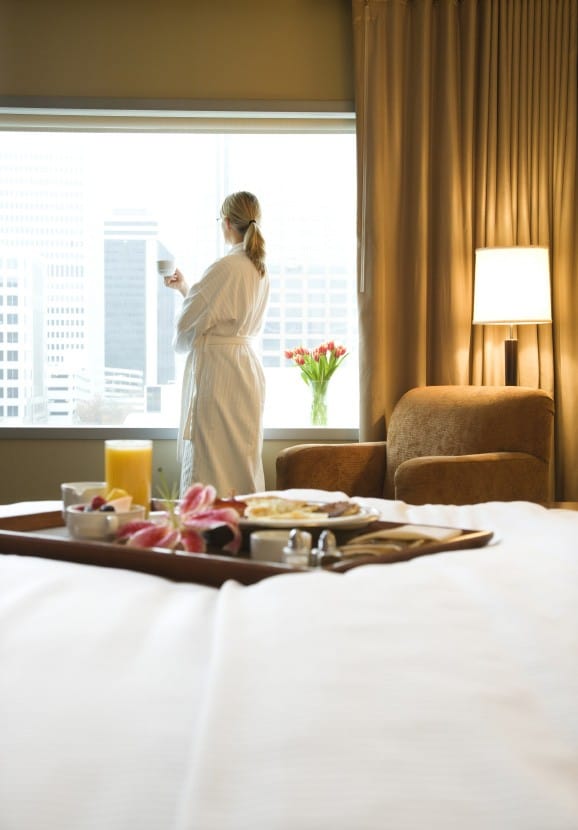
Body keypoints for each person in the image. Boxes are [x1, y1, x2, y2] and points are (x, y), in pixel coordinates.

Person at [164, 191, 270, 497]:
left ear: (226, 222)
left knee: (211, 462)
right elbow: (221, 317)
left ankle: (205, 530)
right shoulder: (259, 268)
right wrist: (187, 288)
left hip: (219, 376)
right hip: (245, 371)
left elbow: (188, 329)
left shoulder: (225, 266)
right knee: (241, 461)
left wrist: (189, 298)